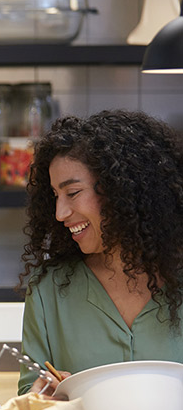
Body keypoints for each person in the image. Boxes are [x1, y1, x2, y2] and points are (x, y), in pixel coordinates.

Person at [18, 109, 183, 395]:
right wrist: (43, 396)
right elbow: (28, 401)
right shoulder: (49, 291)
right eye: (55, 196)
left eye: (73, 193)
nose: (60, 213)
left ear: (121, 189)